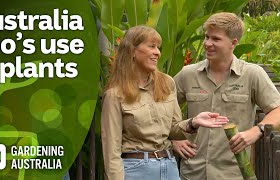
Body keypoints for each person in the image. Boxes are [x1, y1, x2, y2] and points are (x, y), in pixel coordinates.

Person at [100, 25, 229, 180]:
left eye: (158, 48)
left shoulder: (166, 83)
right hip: (136, 169)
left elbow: (173, 130)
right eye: (151, 46)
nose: (157, 53)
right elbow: (111, 151)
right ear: (132, 51)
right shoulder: (115, 95)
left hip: (169, 166)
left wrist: (193, 123)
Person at [172, 12, 280, 180]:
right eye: (207, 37)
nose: (208, 43)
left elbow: (278, 109)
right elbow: (160, 105)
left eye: (216, 39)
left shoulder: (252, 74)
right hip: (193, 172)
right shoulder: (188, 74)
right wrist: (174, 138)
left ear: (233, 43)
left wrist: (256, 130)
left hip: (233, 174)